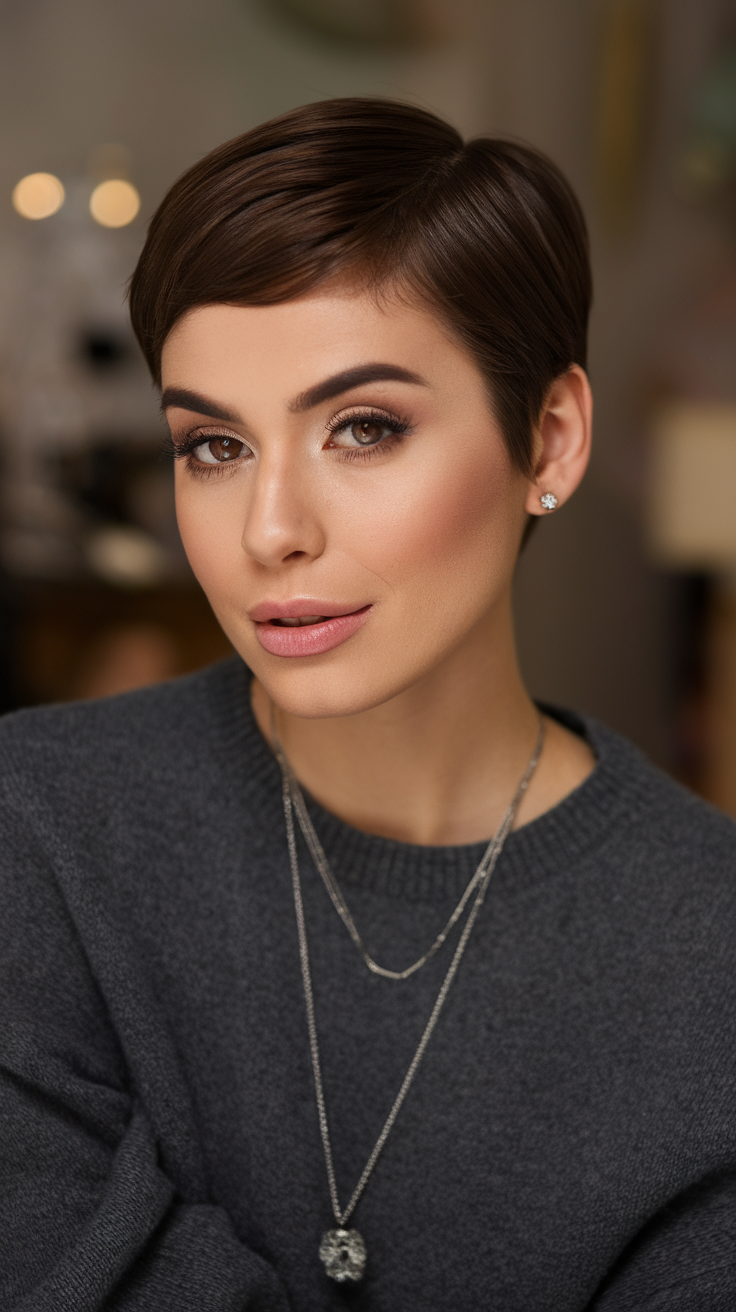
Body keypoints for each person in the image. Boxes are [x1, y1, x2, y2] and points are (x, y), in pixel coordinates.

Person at [2, 98, 736, 1312]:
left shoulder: (711, 952)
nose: (270, 531)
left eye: (363, 427)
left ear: (548, 440)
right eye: (213, 447)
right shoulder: (36, 834)